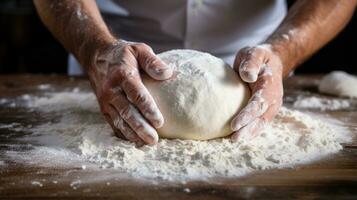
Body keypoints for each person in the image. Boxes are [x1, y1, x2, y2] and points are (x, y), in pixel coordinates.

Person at [33, 0, 356, 145]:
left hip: (248, 63)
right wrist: (96, 50)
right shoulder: (104, 54)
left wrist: (282, 52)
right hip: (115, 54)